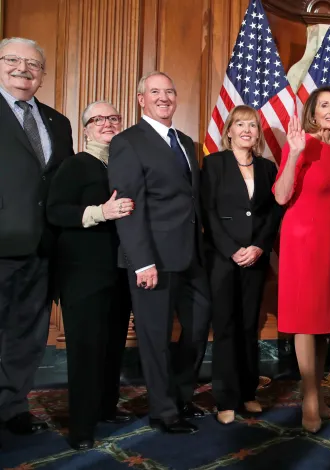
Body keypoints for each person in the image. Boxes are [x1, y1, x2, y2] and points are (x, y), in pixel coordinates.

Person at [108, 71, 211, 434]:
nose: (164, 97)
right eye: (155, 92)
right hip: (152, 259)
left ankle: (181, 395)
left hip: (190, 256)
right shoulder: (127, 142)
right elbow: (128, 207)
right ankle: (163, 411)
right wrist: (143, 261)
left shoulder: (185, 141)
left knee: (198, 326)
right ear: (141, 99)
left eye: (169, 91)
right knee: (154, 337)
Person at [46, 101, 134, 450]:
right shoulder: (74, 165)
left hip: (121, 269)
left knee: (114, 345)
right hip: (82, 274)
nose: (107, 123)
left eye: (113, 118)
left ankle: (107, 409)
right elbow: (56, 212)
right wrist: (101, 211)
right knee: (85, 350)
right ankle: (81, 428)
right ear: (85, 129)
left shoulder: (125, 166)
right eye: (98, 119)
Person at [0, 37, 74, 446]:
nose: (22, 69)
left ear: (43, 75)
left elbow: (61, 186)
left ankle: (12, 406)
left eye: (33, 64)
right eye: (12, 60)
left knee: (27, 333)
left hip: (43, 247)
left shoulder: (57, 122)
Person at [273, 86, 330, 433]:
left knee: (324, 323)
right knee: (306, 320)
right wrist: (293, 155)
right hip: (302, 240)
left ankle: (318, 396)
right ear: (312, 112)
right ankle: (307, 401)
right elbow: (280, 196)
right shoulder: (301, 142)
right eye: (325, 105)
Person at [201, 105, 284, 425]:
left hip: (255, 259)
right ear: (229, 131)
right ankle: (225, 399)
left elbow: (271, 214)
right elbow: (207, 211)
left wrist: (259, 247)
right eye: (240, 124)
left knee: (249, 326)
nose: (247, 129)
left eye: (252, 124)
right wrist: (232, 249)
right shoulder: (214, 163)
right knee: (225, 328)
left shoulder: (267, 168)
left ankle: (248, 394)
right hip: (223, 260)